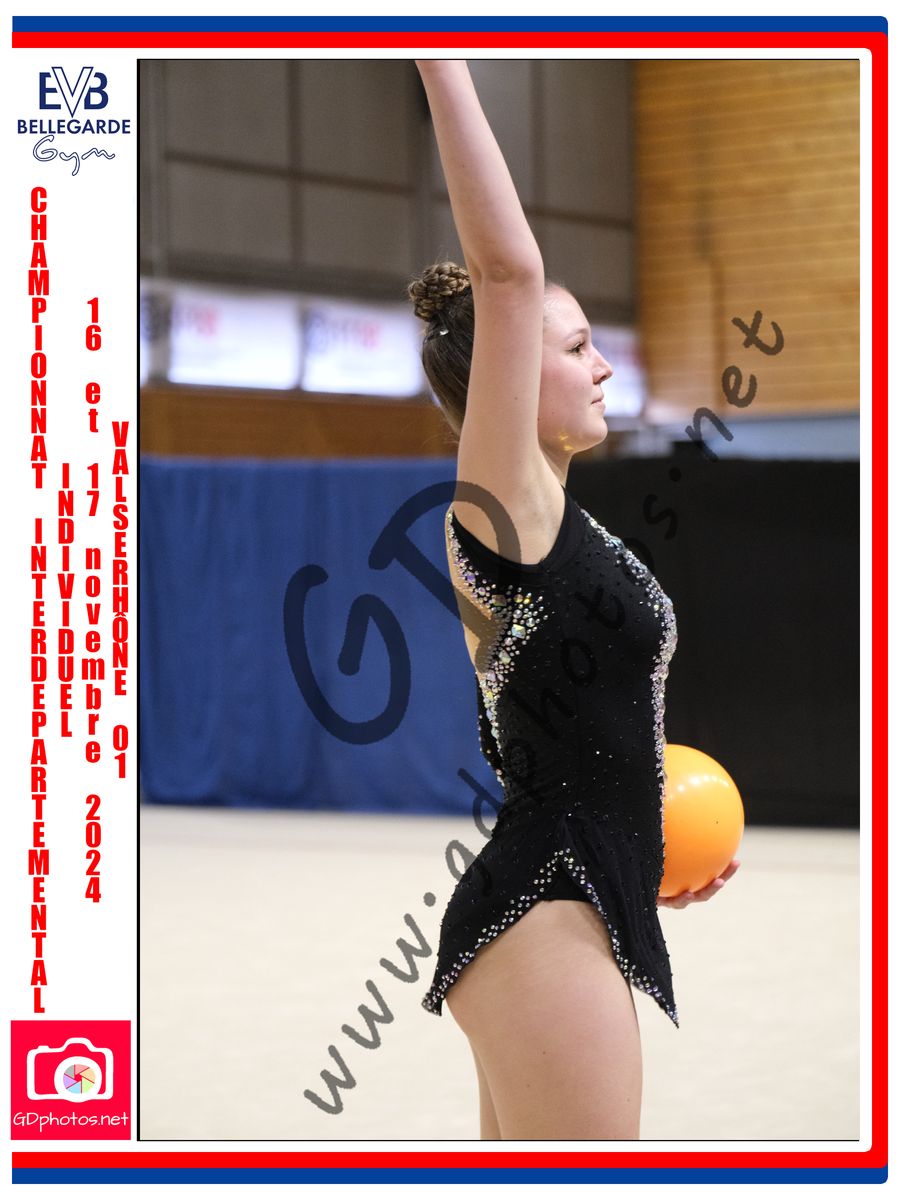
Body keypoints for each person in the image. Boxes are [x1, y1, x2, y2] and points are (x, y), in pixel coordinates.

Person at [409, 60, 739, 1142]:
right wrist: (442, 59)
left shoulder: (566, 523)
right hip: (544, 902)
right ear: (508, 375)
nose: (603, 366)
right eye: (577, 345)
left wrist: (653, 850)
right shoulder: (502, 507)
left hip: (577, 896)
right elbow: (508, 274)